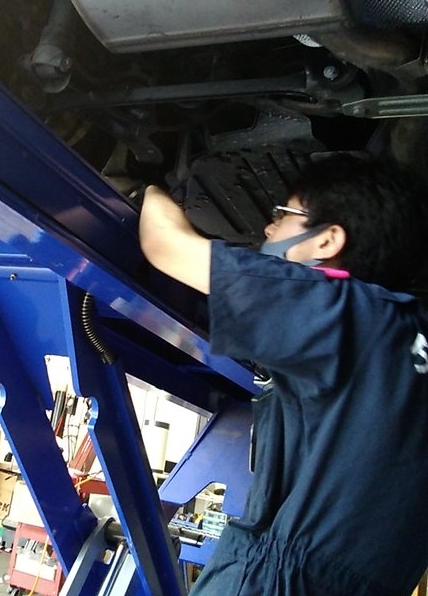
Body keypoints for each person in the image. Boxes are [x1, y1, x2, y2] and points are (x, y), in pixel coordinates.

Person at [139, 154, 428, 595]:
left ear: (327, 239)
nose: (269, 229)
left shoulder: (336, 310)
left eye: (283, 214)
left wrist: (148, 183)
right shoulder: (406, 332)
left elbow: (164, 244)